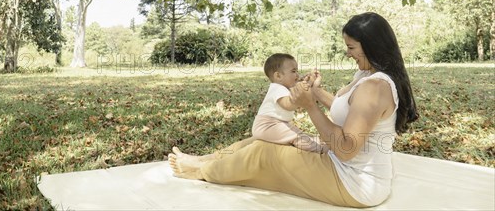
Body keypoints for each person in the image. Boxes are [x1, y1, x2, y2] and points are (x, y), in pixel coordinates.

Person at [168, 12, 418, 208]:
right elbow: (348, 110)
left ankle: (200, 171)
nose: (347, 53)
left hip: (355, 183)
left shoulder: (374, 87)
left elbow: (345, 149)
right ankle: (204, 160)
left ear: (372, 46)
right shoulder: (367, 74)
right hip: (344, 167)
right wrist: (317, 93)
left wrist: (310, 105)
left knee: (264, 153)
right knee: (259, 138)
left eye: (351, 47)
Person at [252, 53, 328, 154]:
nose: (297, 75)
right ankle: (320, 149)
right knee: (295, 136)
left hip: (277, 124)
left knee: (298, 132)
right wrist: (301, 95)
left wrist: (309, 83)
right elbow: (288, 105)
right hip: (267, 126)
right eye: (293, 71)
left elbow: (300, 92)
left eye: (297, 71)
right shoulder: (277, 89)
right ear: (278, 76)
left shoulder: (283, 87)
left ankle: (316, 141)